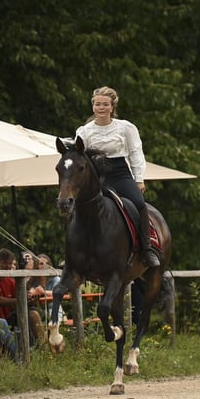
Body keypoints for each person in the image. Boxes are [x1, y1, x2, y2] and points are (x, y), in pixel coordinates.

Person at [75, 86, 160, 267]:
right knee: (76, 206)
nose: (101, 108)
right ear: (93, 106)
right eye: (98, 104)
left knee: (138, 203)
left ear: (112, 107)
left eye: (105, 104)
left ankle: (147, 249)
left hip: (120, 173)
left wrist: (139, 179)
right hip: (96, 176)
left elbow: (136, 153)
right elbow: (79, 157)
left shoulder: (126, 127)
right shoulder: (84, 131)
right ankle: (73, 251)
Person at [0, 247, 45, 347]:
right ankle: (19, 356)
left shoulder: (10, 280)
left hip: (8, 318)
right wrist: (20, 300)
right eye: (5, 262)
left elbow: (18, 300)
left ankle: (44, 348)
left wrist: (29, 300)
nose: (8, 266)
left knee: (33, 313)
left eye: (10, 263)